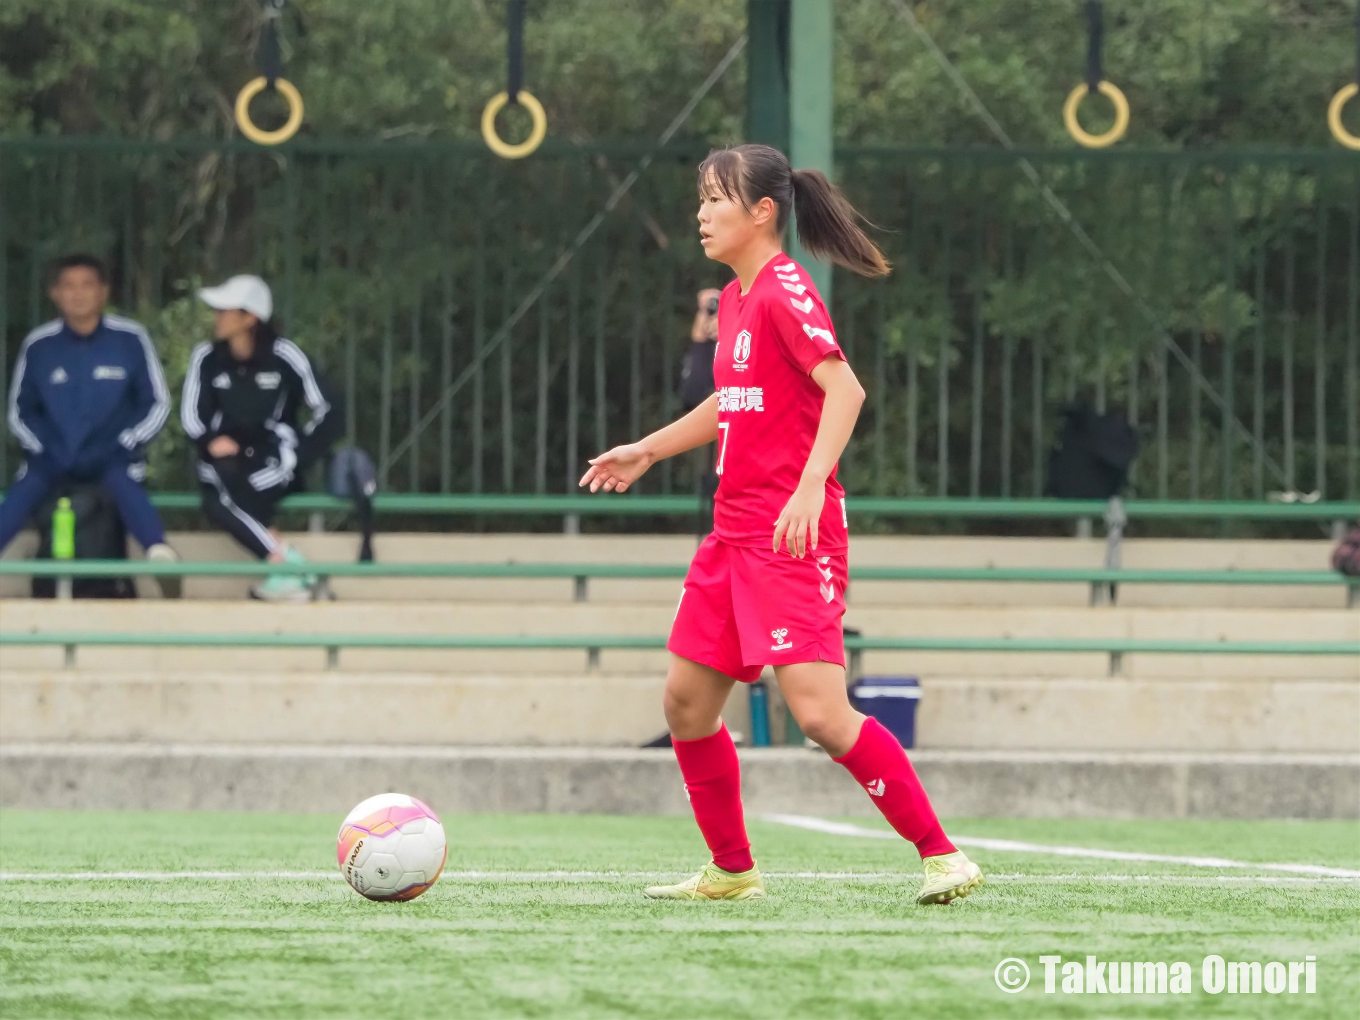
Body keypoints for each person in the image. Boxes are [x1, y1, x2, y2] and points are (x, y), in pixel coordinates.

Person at [580, 144, 982, 905]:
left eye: (715, 198)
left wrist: (808, 486)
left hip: (790, 537)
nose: (701, 212)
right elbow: (732, 401)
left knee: (823, 717)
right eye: (700, 197)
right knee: (686, 704)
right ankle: (733, 870)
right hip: (732, 535)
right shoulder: (735, 297)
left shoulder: (784, 291)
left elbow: (846, 390)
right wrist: (649, 450)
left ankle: (942, 856)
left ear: (761, 211)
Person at [2, 253, 180, 596]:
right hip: (51, 458)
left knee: (124, 484)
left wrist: (124, 443)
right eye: (68, 286)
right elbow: (19, 412)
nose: (78, 293)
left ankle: (160, 554)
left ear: (104, 291)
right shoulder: (39, 345)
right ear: (54, 294)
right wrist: (46, 447)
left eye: (87, 285)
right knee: (21, 495)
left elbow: (156, 402)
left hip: (113, 456)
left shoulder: (131, 338)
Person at [182, 275, 342, 602]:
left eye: (225, 310)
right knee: (220, 495)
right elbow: (191, 416)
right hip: (219, 463)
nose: (217, 317)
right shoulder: (206, 357)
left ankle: (288, 569)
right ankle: (290, 565)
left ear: (249, 318)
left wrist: (301, 452)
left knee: (221, 503)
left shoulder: (285, 355)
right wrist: (209, 442)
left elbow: (329, 409)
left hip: (272, 459)